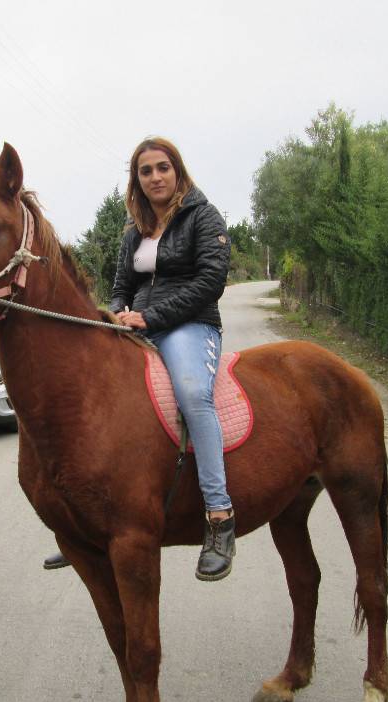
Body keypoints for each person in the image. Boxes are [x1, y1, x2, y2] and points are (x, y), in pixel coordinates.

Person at [46, 136, 235, 581]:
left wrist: (151, 317)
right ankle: (85, 527)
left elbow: (210, 281)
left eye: (162, 167)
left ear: (178, 170)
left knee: (192, 394)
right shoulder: (134, 228)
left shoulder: (203, 216)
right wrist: (114, 315)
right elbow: (120, 284)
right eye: (145, 171)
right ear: (137, 180)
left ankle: (220, 514)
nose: (155, 177)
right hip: (139, 324)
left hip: (190, 325)